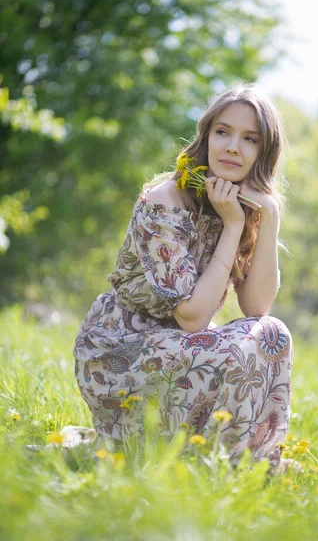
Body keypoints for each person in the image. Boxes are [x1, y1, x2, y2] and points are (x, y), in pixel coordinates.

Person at [73, 82, 300, 473]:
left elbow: (256, 308)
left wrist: (270, 216)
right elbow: (192, 318)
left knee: (273, 334)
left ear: (264, 152)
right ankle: (226, 466)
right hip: (122, 353)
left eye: (250, 139)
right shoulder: (166, 202)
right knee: (235, 350)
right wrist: (232, 227)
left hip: (183, 350)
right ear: (207, 136)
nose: (232, 147)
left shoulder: (239, 204)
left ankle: (247, 460)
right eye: (223, 132)